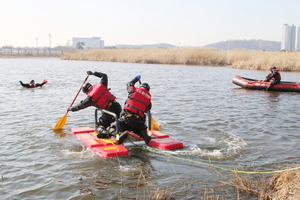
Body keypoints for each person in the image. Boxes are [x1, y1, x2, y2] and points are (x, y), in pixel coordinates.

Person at [67, 71, 122, 138]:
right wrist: (93, 73)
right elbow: (104, 75)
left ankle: (108, 134)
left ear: (86, 91)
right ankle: (120, 132)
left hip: (109, 112)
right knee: (119, 121)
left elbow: (80, 105)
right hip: (117, 106)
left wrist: (71, 109)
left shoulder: (90, 98)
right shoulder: (102, 85)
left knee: (100, 125)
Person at [108, 75, 152, 145]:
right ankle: (143, 134)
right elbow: (148, 108)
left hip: (127, 119)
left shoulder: (134, 90)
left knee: (111, 128)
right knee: (141, 128)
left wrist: (136, 79)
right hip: (138, 123)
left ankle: (120, 134)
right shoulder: (149, 97)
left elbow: (129, 84)